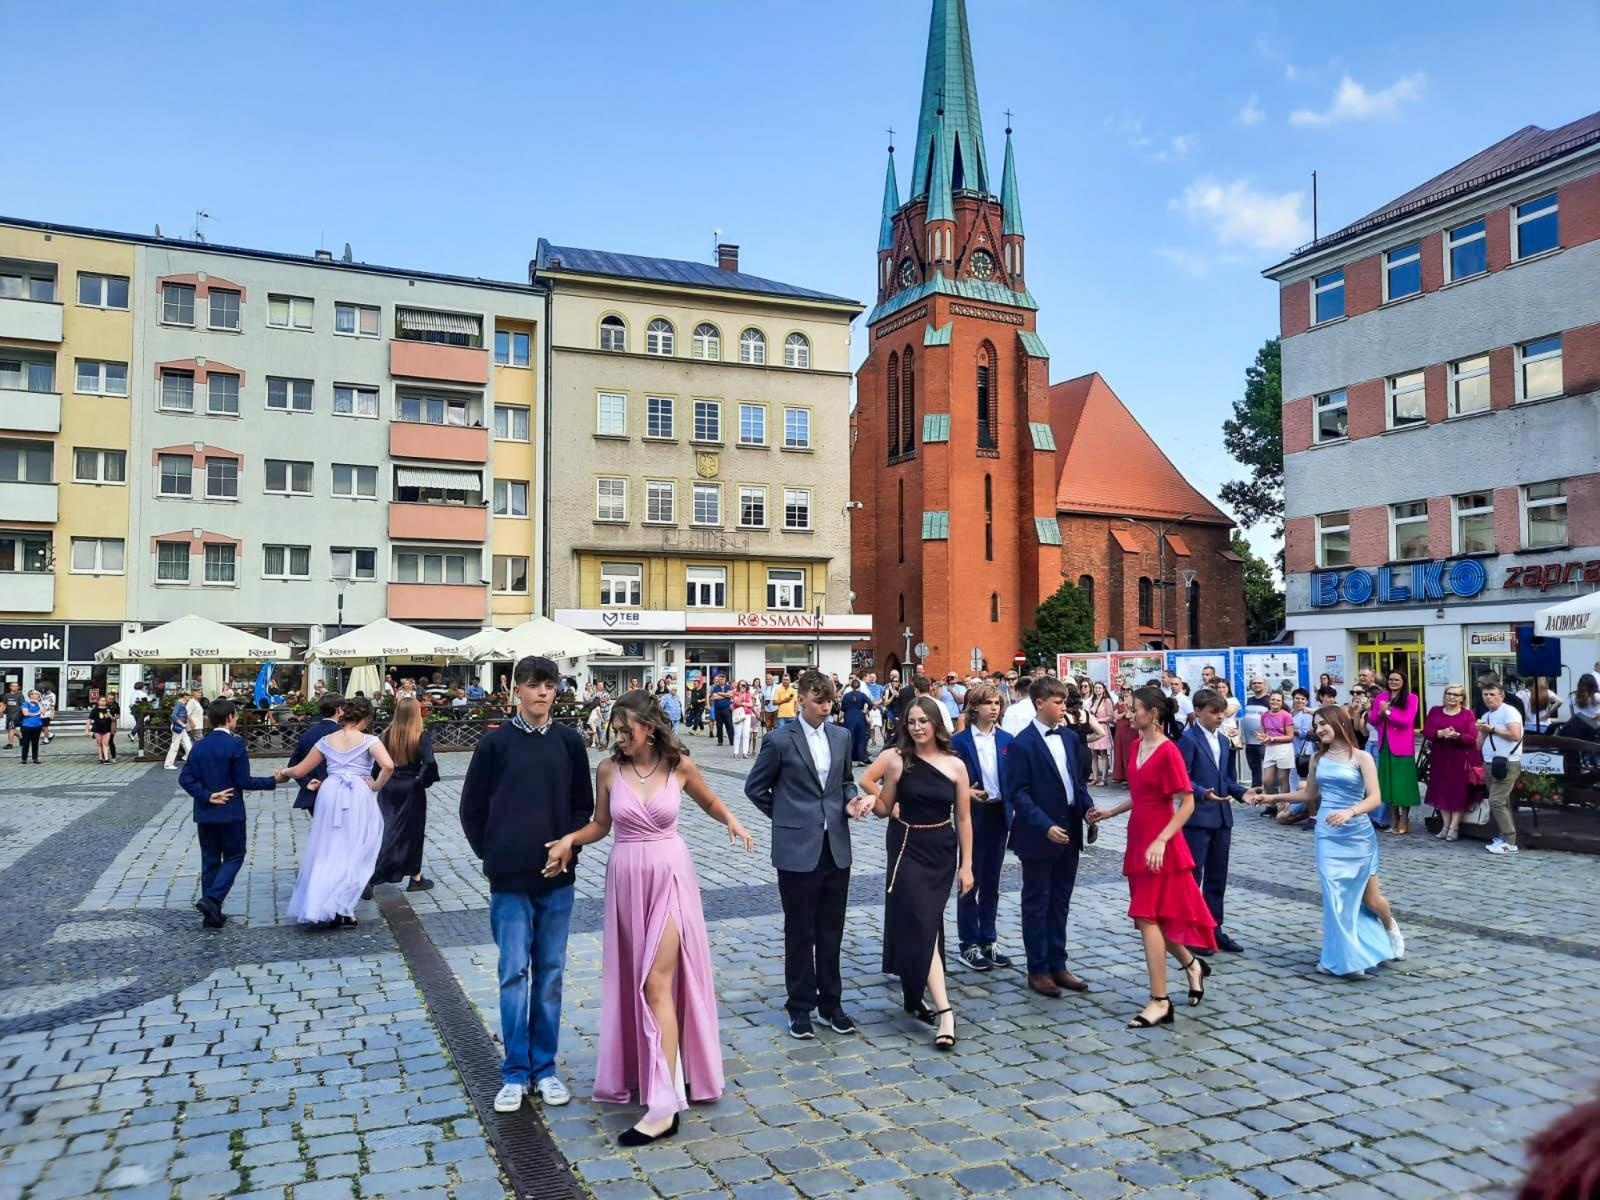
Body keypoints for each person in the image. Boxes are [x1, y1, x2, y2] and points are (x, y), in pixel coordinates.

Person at [546, 691, 754, 1146]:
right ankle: (664, 1080)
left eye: (627, 731)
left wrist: (732, 822)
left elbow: (710, 801)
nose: (619, 739)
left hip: (672, 877)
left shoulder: (677, 765)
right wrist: (569, 840)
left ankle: (663, 1105)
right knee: (639, 982)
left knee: (655, 983)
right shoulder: (607, 770)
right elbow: (602, 824)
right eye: (615, 732)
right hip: (626, 880)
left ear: (650, 727)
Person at [460, 656, 593, 1113]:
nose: (542, 692)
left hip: (559, 879)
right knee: (514, 973)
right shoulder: (494, 746)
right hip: (510, 880)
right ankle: (515, 1072)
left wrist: (569, 847)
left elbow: (584, 808)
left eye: (549, 685)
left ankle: (546, 1068)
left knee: (551, 974)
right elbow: (471, 810)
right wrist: (495, 854)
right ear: (515, 690)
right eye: (534, 685)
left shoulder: (569, 742)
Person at [744, 670, 866, 1040]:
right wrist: (788, 816)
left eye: (830, 699)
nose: (826, 706)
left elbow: (845, 781)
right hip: (797, 848)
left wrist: (849, 803)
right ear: (802, 700)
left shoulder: (841, 736)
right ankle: (800, 1007)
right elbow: (755, 787)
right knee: (800, 930)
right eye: (819, 700)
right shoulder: (779, 740)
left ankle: (832, 1003)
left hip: (835, 846)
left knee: (832, 929)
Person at [1088, 688, 1220, 1027]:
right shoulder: (1134, 746)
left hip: (1162, 844)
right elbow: (1141, 795)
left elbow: (1186, 802)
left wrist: (1162, 840)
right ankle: (1193, 965)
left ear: (1154, 714)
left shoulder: (1169, 751)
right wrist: (1110, 812)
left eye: (1135, 710)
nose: (1129, 715)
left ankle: (1159, 1000)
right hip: (1138, 838)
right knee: (1152, 919)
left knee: (1148, 918)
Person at [867, 697, 972, 1050]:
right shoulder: (896, 759)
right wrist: (877, 801)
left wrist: (967, 864)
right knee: (923, 923)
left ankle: (914, 994)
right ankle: (945, 1011)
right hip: (907, 847)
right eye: (911, 721)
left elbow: (964, 818)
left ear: (936, 724)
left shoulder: (956, 765)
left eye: (923, 721)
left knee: (925, 924)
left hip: (942, 850)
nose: (917, 727)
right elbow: (877, 798)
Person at [1273, 705, 1404, 975]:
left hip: (1358, 835)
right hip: (1327, 836)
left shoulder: (1362, 757)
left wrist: (1349, 812)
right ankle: (1346, 959)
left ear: (1340, 722)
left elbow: (1375, 798)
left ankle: (1389, 925)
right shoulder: (1317, 760)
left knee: (1371, 900)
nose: (1319, 729)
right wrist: (1273, 797)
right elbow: (1309, 795)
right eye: (1316, 724)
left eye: (1324, 723)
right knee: (1335, 899)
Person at [1006, 675, 1092, 998]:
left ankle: (1059, 963)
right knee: (1037, 902)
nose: (1062, 707)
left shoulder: (1070, 738)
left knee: (1061, 901)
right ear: (1039, 703)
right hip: (1040, 835)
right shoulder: (1022, 743)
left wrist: (1087, 809)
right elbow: (1019, 793)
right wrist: (1044, 825)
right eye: (1057, 702)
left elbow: (1076, 782)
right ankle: (1037, 968)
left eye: (1064, 702)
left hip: (1069, 830)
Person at [280, 696, 393, 927]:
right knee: (356, 847)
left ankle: (321, 904)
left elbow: (301, 770)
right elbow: (389, 765)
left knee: (327, 847)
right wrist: (376, 785)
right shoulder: (369, 740)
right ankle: (344, 906)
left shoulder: (326, 740)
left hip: (330, 792)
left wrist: (283, 772)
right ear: (366, 718)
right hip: (358, 792)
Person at [180, 700, 279, 928]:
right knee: (234, 856)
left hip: (205, 813)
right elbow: (244, 781)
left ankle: (212, 914)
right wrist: (274, 780)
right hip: (231, 812)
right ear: (231, 717)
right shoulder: (235, 745)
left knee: (210, 860)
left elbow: (185, 778)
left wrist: (206, 795)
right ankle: (212, 899)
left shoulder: (199, 746)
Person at [1176, 689, 1257, 956]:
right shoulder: (1187, 740)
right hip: (1198, 818)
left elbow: (1227, 778)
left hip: (1222, 818)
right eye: (1214, 712)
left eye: (1222, 712)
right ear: (1198, 711)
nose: (1220, 716)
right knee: (1193, 877)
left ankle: (1214, 928)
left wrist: (1240, 792)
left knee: (1217, 877)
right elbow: (1181, 778)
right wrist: (1201, 792)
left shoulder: (1223, 741)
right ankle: (1191, 931)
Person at [951, 684, 1012, 972]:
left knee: (992, 880)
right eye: (988, 703)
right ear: (974, 707)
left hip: (999, 813)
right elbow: (948, 779)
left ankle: (988, 937)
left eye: (997, 703)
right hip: (971, 814)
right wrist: (965, 793)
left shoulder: (1007, 740)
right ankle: (968, 943)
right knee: (969, 878)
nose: (994, 708)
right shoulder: (959, 742)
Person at [370, 696, 439, 893]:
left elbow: (378, 763)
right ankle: (406, 876)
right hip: (411, 787)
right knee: (413, 832)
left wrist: (377, 781)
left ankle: (410, 875)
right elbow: (430, 762)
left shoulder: (386, 734)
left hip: (389, 786)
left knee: (387, 827)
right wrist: (422, 780)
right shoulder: (420, 735)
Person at [1424, 684, 1479, 842]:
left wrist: (1456, 735)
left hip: (1459, 758)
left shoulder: (1467, 714)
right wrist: (1439, 733)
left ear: (1462, 698)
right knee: (1441, 791)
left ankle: (1454, 826)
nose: (1452, 697)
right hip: (1440, 757)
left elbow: (1472, 737)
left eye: (1456, 695)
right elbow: (1427, 731)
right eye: (1449, 693)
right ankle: (1445, 825)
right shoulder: (1435, 711)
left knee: (1458, 792)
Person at [1477, 677, 1524, 857]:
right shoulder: (1486, 715)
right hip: (1490, 761)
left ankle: (1510, 841)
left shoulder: (1509, 712)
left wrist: (1492, 730)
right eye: (1485, 694)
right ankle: (1503, 836)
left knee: (1496, 801)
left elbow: (1514, 734)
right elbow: (1478, 745)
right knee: (1501, 801)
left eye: (1492, 694)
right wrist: (1481, 732)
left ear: (1502, 696)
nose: (1489, 698)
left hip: (1507, 761)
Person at [1370, 670, 1421, 835]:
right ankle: (1393, 818)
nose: (1393, 682)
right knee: (1388, 783)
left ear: (1403, 681)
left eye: (1397, 679)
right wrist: (1379, 713)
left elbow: (1406, 721)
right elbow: (1373, 720)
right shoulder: (1381, 697)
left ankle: (1404, 818)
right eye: (1391, 679)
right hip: (1384, 744)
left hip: (1402, 747)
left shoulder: (1411, 698)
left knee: (1403, 785)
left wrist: (1388, 713)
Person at [288, 692, 343, 815]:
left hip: (314, 791)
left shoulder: (307, 734)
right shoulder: (342, 734)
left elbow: (293, 764)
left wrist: (307, 782)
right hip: (338, 792)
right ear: (339, 709)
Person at [1256, 692, 1296, 812]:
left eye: (1278, 700)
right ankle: (1272, 805)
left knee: (1283, 778)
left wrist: (1272, 738)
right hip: (1270, 748)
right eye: (1273, 700)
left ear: (1282, 702)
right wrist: (1262, 738)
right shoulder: (1264, 715)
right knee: (1267, 781)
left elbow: (1290, 736)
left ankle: (1285, 805)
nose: (1275, 702)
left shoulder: (1286, 715)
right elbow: (1264, 733)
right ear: (1269, 700)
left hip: (1284, 748)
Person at [1241, 677, 1272, 790]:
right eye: (1254, 683)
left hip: (1263, 741)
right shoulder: (1250, 700)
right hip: (1250, 741)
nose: (1256, 685)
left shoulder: (1269, 700)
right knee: (1254, 767)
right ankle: (1256, 788)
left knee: (1269, 766)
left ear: (1265, 685)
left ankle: (1272, 789)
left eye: (1259, 683)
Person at [1084, 682, 1115, 787]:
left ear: (1103, 689)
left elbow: (1110, 717)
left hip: (1102, 728)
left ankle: (1104, 778)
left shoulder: (1107, 701)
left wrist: (1098, 720)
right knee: (1093, 754)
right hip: (1093, 728)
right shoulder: (1092, 701)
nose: (1097, 689)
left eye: (1099, 688)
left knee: (1103, 753)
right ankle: (1095, 777)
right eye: (1096, 688)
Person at [839, 676, 872, 765]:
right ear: (859, 686)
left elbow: (842, 708)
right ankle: (861, 758)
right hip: (860, 717)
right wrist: (866, 711)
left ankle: (848, 759)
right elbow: (870, 704)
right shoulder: (862, 695)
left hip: (849, 717)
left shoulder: (846, 695)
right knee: (860, 739)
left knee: (850, 738)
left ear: (851, 686)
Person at [89, 688, 120, 764]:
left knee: (110, 741)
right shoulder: (101, 704)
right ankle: (103, 757)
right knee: (101, 742)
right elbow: (94, 715)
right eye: (109, 698)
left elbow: (118, 714)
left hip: (111, 723)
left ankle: (113, 757)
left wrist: (114, 717)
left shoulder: (115, 705)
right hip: (100, 724)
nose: (110, 700)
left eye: (112, 699)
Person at [16, 690, 43, 764]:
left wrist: (38, 703)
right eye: (36, 694)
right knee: (26, 742)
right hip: (27, 725)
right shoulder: (26, 703)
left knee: (35, 742)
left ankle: (35, 758)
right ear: (31, 695)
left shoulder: (39, 704)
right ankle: (24, 759)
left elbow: (43, 711)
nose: (38, 695)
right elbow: (25, 713)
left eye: (38, 694)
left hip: (37, 725)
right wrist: (37, 713)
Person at [708, 674, 734, 747]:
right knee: (719, 726)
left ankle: (731, 740)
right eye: (719, 679)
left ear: (725, 680)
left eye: (722, 679)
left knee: (729, 725)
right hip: (718, 710)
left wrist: (721, 694)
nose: (721, 681)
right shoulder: (715, 687)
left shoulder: (728, 687)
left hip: (726, 709)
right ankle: (720, 741)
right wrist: (725, 695)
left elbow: (730, 695)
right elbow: (715, 697)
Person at [730, 680, 754, 758]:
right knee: (737, 734)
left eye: (744, 685)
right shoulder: (735, 693)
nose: (743, 686)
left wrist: (743, 704)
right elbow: (737, 703)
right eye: (741, 685)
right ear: (738, 686)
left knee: (746, 734)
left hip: (747, 715)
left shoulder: (748, 694)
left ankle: (745, 752)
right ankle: (736, 752)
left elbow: (751, 704)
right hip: (738, 715)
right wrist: (740, 693)